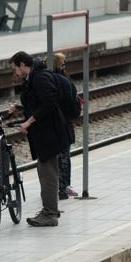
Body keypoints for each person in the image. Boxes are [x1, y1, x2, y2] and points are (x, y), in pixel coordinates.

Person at [8, 51, 71, 226]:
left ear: (22, 65)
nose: (15, 74)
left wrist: (28, 122)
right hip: (48, 133)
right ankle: (51, 210)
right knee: (47, 171)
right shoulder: (34, 77)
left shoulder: (39, 78)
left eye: (15, 69)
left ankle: (49, 214)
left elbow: (49, 102)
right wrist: (20, 108)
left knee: (47, 173)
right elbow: (38, 103)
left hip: (50, 134)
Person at [50, 52, 78, 200]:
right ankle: (64, 187)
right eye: (63, 63)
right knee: (64, 157)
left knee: (59, 157)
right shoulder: (64, 79)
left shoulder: (51, 79)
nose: (64, 66)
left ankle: (60, 187)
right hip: (65, 123)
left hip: (58, 123)